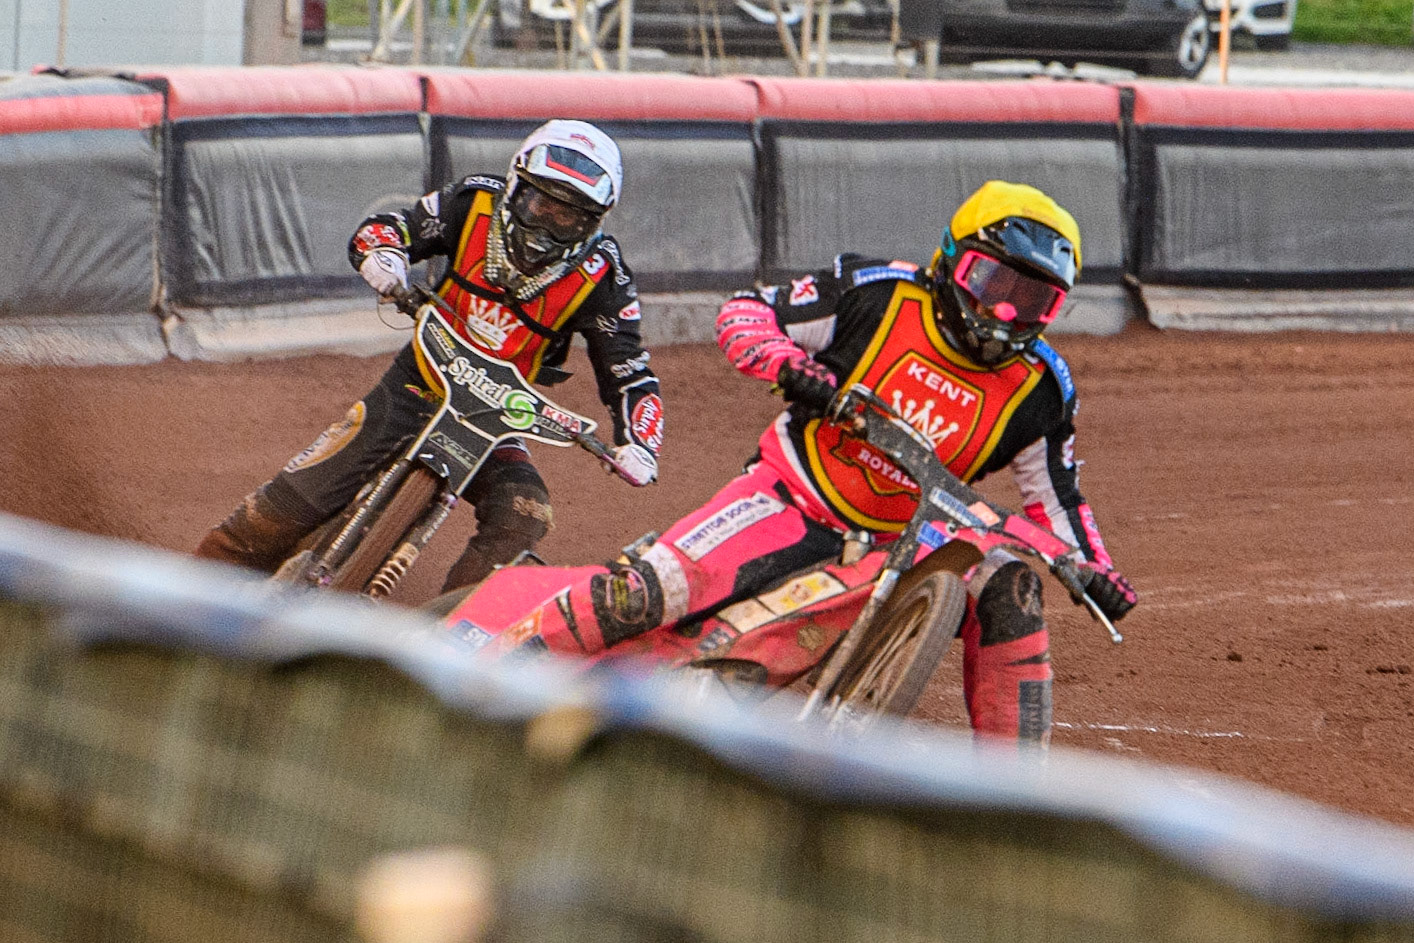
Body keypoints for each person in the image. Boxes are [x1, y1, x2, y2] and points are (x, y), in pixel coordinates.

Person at [457, 180, 1136, 746]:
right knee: (646, 594)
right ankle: (474, 677)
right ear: (952, 258)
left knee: (1011, 584)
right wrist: (798, 371)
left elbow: (1057, 498)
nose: (1005, 312)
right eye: (993, 281)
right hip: (792, 497)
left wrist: (1096, 570)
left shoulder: (1043, 387)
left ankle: (1015, 799)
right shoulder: (877, 293)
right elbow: (746, 315)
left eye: (1035, 300)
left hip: (915, 537)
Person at [195, 119, 664, 592]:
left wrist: (640, 443)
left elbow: (629, 373)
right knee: (277, 514)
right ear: (516, 185)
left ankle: (457, 633)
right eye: (540, 203)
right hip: (417, 383)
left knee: (525, 513)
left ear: (594, 222)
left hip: (495, 418)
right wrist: (386, 255)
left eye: (568, 217)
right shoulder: (473, 200)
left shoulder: (604, 275)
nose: (547, 223)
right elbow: (389, 227)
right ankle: (178, 602)